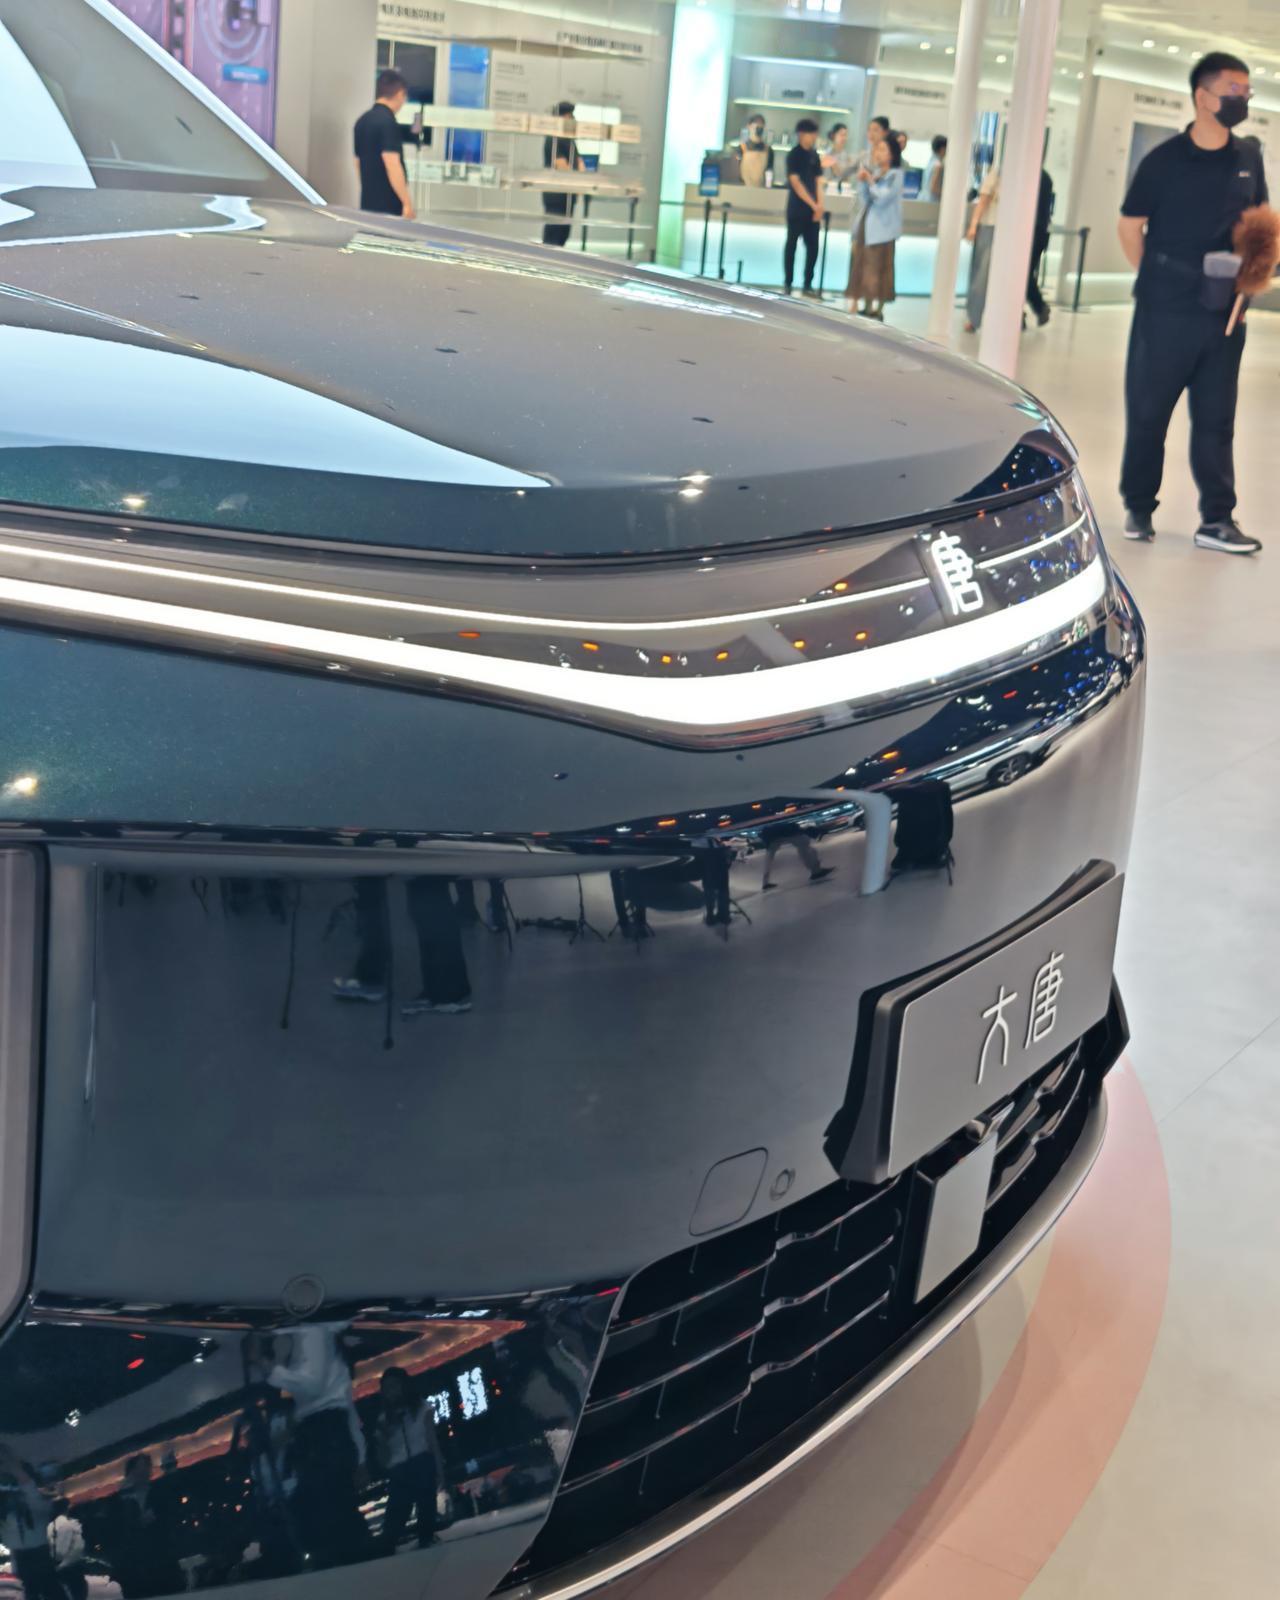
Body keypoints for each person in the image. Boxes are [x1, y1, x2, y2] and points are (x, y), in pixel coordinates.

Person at [1118, 50, 1267, 554]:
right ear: (1203, 97)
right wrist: (1159, 278)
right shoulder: (1163, 161)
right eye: (1233, 91)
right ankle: (1139, 506)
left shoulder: (1248, 158)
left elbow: (1260, 223)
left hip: (1224, 312)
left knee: (1217, 418)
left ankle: (1217, 520)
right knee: (1149, 413)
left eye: (1246, 91)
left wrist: (1249, 282)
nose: (1242, 99)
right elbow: (1129, 226)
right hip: (1164, 310)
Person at [256, 1325, 373, 1570]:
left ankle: (348, 1558)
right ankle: (350, 1558)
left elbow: (312, 1385)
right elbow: (347, 1412)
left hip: (325, 1433)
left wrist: (272, 1368)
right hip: (325, 1432)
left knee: (326, 1503)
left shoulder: (311, 1334)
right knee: (328, 1504)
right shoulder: (313, 1340)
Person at [965, 165, 1055, 331]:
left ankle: (1024, 313)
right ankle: (1019, 315)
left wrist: (973, 225)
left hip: (1021, 231)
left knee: (1015, 275)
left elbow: (985, 200)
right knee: (1015, 276)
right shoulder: (1036, 176)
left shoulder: (1022, 175)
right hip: (1021, 230)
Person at [375, 1368, 445, 1551]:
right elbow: (384, 1459)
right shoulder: (384, 1420)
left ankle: (426, 1539)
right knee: (395, 1516)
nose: (392, 1392)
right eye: (387, 1388)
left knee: (426, 1507)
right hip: (400, 1469)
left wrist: (440, 1470)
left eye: (395, 1386)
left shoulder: (422, 1409)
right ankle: (387, 1546)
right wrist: (382, 1440)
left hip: (421, 1461)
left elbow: (432, 1441)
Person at [107, 1455, 184, 1600]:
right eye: (139, 1468)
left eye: (146, 1467)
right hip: (134, 1566)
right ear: (130, 1473)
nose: (143, 1472)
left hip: (160, 1558)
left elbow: (171, 1513)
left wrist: (156, 1517)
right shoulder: (119, 1501)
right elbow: (117, 1531)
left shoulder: (159, 1492)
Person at [848, 130, 904, 319]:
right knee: (865, 267)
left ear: (892, 154)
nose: (878, 153)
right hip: (868, 226)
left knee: (881, 268)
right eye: (877, 149)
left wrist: (870, 181)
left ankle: (878, 309)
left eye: (882, 150)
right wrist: (864, 182)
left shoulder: (896, 175)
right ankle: (867, 305)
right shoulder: (878, 173)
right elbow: (867, 198)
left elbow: (883, 198)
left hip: (883, 230)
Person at [0, 1449, 63, 1600]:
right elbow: (27, 1486)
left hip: (31, 1552)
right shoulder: (36, 1506)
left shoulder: (35, 1506)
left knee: (39, 1589)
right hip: (33, 1552)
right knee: (44, 1588)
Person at [353, 69, 413, 219]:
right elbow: (392, 163)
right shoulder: (388, 122)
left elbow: (357, 162)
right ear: (400, 94)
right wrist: (406, 202)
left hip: (368, 202)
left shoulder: (362, 121)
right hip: (389, 205)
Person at [783, 118, 825, 297]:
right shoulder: (794, 155)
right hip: (797, 209)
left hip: (813, 211)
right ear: (801, 134)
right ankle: (788, 283)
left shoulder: (815, 155)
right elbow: (796, 183)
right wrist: (813, 204)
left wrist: (819, 206)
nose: (814, 137)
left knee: (813, 248)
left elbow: (819, 181)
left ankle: (808, 284)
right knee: (791, 245)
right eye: (811, 133)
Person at [542, 100, 586, 246]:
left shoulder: (569, 140)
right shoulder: (553, 139)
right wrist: (578, 183)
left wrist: (582, 182)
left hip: (568, 195)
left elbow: (579, 162)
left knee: (563, 234)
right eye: (570, 116)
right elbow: (562, 166)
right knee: (553, 236)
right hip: (556, 195)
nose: (573, 119)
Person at [760, 820, 834, 891]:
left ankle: (765, 883)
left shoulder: (796, 830)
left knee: (769, 857)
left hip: (770, 836)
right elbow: (805, 853)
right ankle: (816, 872)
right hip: (775, 835)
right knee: (808, 850)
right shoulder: (801, 835)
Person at [48, 1499, 89, 1600]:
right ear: (67, 1508)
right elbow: (76, 1549)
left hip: (56, 1566)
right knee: (78, 1593)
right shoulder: (71, 1525)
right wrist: (64, 1564)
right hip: (71, 1568)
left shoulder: (50, 1526)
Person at [738, 113, 772, 188]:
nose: (758, 128)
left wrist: (768, 187)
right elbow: (737, 170)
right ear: (749, 126)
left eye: (761, 125)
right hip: (744, 188)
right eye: (756, 124)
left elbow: (769, 171)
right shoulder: (742, 147)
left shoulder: (768, 149)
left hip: (761, 189)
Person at [821, 122, 854, 186]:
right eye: (841, 135)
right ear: (834, 135)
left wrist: (835, 166)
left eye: (845, 135)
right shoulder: (826, 154)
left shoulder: (847, 156)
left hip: (841, 189)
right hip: (827, 188)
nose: (844, 138)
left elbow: (846, 179)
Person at [924, 134, 947, 201]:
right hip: (933, 201)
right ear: (943, 149)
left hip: (924, 199)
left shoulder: (930, 163)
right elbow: (934, 188)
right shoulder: (938, 165)